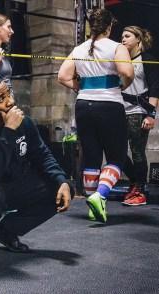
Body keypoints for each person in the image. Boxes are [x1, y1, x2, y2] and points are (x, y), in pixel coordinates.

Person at [0, 74, 73, 262]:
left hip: (11, 185)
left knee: (60, 188)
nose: (10, 102)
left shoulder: (24, 123)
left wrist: (61, 180)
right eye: (0, 99)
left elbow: (42, 155)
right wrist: (8, 131)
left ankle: (6, 231)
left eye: (8, 94)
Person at [58, 8, 134, 223]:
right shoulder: (116, 47)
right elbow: (127, 73)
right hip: (109, 104)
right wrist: (121, 86)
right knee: (116, 157)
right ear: (109, 27)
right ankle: (100, 195)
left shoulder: (79, 48)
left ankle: (94, 208)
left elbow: (62, 76)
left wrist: (81, 87)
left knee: (91, 157)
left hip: (84, 105)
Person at [121, 26, 159, 206]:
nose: (123, 39)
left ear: (138, 39)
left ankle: (140, 189)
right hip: (120, 111)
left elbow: (154, 88)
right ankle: (135, 181)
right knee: (117, 152)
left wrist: (151, 115)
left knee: (137, 152)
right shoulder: (121, 60)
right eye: (122, 36)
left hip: (138, 112)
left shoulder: (147, 59)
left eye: (127, 36)